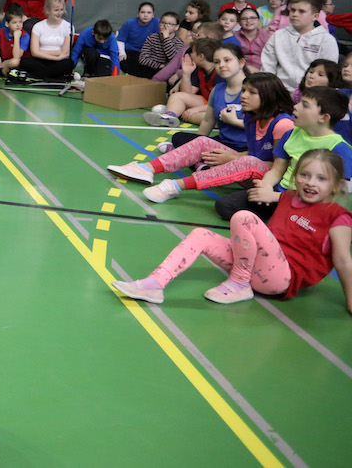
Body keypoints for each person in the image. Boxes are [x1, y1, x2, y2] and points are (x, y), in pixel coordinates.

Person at [113, 149, 352, 309]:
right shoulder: (288, 197)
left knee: (244, 217)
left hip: (282, 279)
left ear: (336, 186)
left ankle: (239, 284)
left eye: (321, 179)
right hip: (256, 266)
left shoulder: (337, 217)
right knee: (200, 234)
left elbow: (343, 260)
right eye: (305, 175)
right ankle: (155, 284)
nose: (310, 182)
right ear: (295, 176)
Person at [109, 44, 253, 203]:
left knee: (197, 145)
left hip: (246, 151)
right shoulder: (218, 89)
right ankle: (168, 167)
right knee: (181, 138)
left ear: (241, 62)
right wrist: (195, 147)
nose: (222, 65)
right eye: (217, 62)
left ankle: (155, 170)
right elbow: (207, 121)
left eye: (227, 60)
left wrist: (235, 122)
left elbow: (265, 129)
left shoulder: (254, 91)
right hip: (223, 143)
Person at [214, 86, 352, 223]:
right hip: (280, 193)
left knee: (274, 228)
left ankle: (279, 221)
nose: (296, 106)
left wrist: (276, 197)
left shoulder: (339, 148)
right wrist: (266, 186)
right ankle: (275, 218)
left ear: (324, 117)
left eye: (305, 105)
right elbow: (277, 170)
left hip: (308, 202)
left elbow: (334, 195)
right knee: (224, 205)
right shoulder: (290, 134)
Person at [261, 0, 338, 93]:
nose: (295, 14)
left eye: (301, 11)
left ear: (315, 16)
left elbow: (328, 74)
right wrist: (269, 90)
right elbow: (267, 67)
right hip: (279, 92)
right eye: (292, 10)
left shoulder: (326, 40)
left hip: (310, 93)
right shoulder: (278, 35)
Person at [144, 37, 219, 128]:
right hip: (208, 103)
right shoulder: (199, 69)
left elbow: (222, 103)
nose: (190, 54)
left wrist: (196, 109)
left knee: (205, 118)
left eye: (192, 52)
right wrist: (186, 73)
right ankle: (170, 115)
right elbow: (187, 93)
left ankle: (175, 112)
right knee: (177, 96)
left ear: (201, 56)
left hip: (221, 107)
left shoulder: (219, 73)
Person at [22, 0, 74, 83]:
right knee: (24, 62)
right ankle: (54, 77)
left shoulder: (68, 27)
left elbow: (65, 52)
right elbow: (34, 52)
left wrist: (41, 52)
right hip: (41, 60)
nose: (59, 13)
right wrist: (56, 56)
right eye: (56, 10)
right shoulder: (38, 26)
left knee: (69, 64)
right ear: (48, 10)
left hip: (59, 62)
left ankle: (42, 76)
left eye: (61, 10)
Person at [128, 11, 182, 80]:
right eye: (163, 23)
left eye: (169, 24)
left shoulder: (178, 42)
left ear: (176, 27)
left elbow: (175, 60)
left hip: (168, 71)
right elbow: (142, 59)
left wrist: (166, 39)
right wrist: (160, 66)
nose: (165, 26)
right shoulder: (152, 37)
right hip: (151, 68)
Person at [115, 2, 158, 71]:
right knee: (123, 63)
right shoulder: (129, 23)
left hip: (147, 53)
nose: (145, 15)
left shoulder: (157, 23)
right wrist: (122, 53)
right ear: (138, 14)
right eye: (143, 12)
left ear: (153, 15)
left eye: (149, 13)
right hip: (130, 51)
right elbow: (120, 40)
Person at [232, 6, 271, 72]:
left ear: (258, 20)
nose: (248, 21)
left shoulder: (267, 37)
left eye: (252, 18)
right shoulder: (234, 37)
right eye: (244, 19)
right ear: (239, 22)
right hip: (240, 71)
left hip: (264, 72)